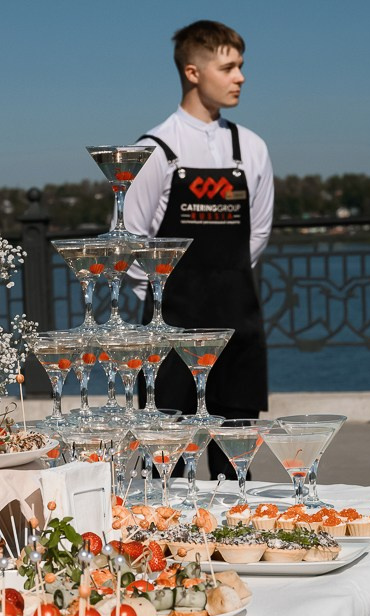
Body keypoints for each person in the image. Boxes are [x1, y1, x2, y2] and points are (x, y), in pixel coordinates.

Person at [125, 19, 273, 479]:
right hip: (169, 335)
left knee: (236, 468)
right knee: (163, 470)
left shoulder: (250, 148)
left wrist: (219, 281)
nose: (240, 77)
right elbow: (132, 245)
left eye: (241, 67)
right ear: (193, 72)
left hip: (237, 328)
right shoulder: (155, 149)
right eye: (228, 67)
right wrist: (170, 304)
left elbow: (257, 235)